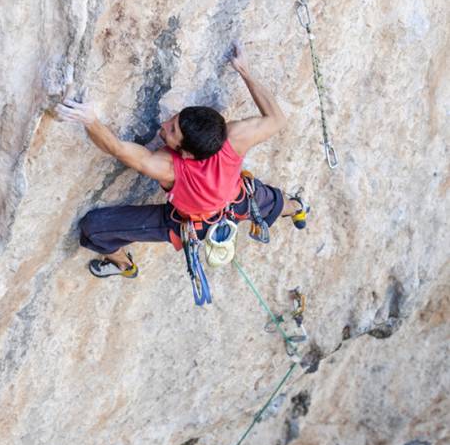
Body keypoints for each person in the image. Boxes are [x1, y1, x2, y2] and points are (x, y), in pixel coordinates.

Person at [56, 42, 304, 279]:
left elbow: (118, 149)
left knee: (94, 227)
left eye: (172, 131)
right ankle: (298, 208)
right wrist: (245, 72)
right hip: (238, 200)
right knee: (270, 201)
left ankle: (123, 265)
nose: (164, 125)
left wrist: (90, 121)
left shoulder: (171, 168)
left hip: (193, 224)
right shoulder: (233, 139)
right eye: (174, 120)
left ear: (185, 153)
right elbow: (276, 119)